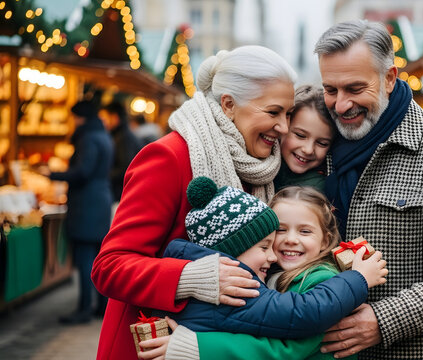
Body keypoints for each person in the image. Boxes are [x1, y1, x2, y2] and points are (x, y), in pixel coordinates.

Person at [91, 46, 297, 360]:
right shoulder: (169, 157)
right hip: (151, 346)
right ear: (228, 105)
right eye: (273, 112)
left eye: (288, 113)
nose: (284, 127)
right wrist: (191, 277)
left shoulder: (264, 166)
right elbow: (109, 267)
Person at [313, 20, 423, 359]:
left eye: (354, 88)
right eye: (330, 90)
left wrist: (383, 320)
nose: (340, 105)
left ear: (390, 78)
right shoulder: (317, 146)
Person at [139, 186, 385, 360]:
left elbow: (290, 345)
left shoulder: (322, 280)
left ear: (325, 240)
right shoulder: (250, 280)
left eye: (305, 231)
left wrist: (358, 278)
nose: (290, 240)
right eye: (279, 231)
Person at [49, 100, 113, 324]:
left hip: (87, 205)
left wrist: (53, 174)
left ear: (80, 117)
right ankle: (101, 307)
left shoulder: (88, 138)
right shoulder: (103, 135)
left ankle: (84, 308)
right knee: (97, 258)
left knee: (85, 258)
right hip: (99, 203)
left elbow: (83, 172)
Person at [274, 85, 334, 192]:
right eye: (300, 135)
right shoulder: (261, 163)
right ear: (284, 126)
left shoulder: (318, 187)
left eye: (322, 143)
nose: (308, 150)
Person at [98, 101, 143, 202]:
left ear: (115, 117)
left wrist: (101, 174)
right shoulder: (119, 135)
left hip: (121, 195)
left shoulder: (124, 138)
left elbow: (125, 168)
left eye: (104, 118)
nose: (102, 122)